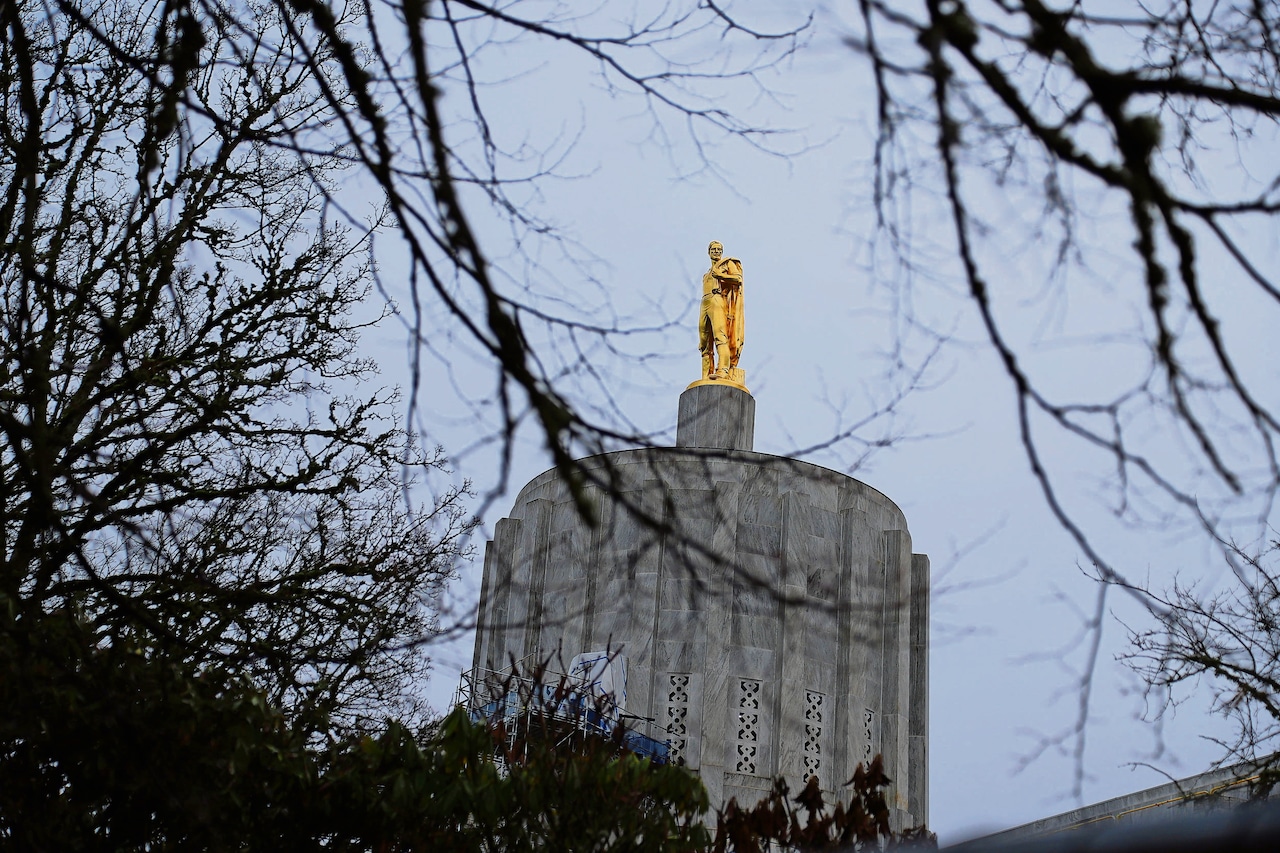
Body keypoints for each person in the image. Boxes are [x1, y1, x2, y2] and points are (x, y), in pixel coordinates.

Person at [698, 241, 745, 381]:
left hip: (717, 299)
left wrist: (721, 276)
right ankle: (706, 375)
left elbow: (738, 278)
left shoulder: (726, 264)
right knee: (704, 343)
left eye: (719, 249)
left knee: (720, 336)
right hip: (704, 302)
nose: (717, 252)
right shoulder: (706, 274)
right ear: (709, 252)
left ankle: (723, 370)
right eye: (714, 249)